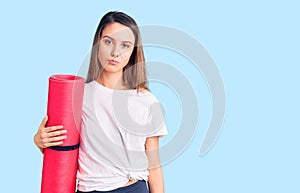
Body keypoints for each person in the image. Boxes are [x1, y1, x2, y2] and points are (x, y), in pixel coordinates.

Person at [34, 11, 168, 193]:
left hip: (133, 187)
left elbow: (153, 166)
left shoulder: (146, 101)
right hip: (91, 189)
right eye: (108, 41)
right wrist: (40, 141)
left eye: (125, 45)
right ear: (97, 44)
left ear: (133, 52)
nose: (115, 52)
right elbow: (63, 149)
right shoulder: (78, 96)